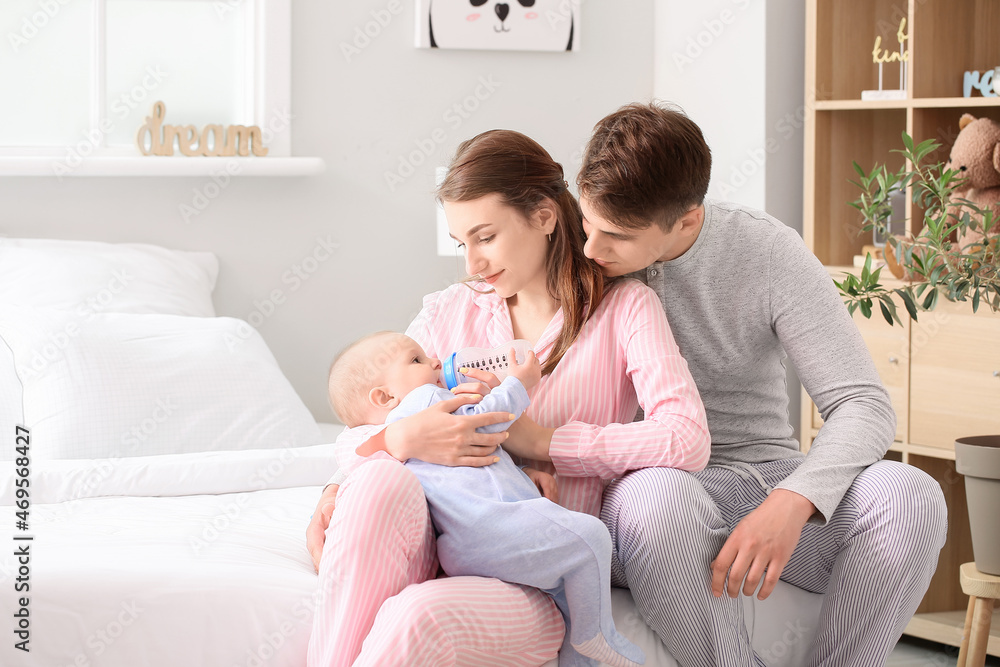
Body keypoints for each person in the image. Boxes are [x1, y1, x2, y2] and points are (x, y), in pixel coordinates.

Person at [306, 129, 710, 667]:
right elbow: (371, 410)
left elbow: (685, 437)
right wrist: (376, 457)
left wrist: (546, 443)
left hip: (535, 571)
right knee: (376, 478)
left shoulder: (624, 310)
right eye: (461, 244)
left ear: (544, 216)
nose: (472, 263)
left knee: (416, 617)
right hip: (441, 538)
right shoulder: (449, 311)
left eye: (485, 237)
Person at [573, 101, 949, 666]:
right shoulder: (571, 260)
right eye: (587, 223)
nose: (590, 250)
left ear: (688, 219)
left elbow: (861, 403)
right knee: (659, 499)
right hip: (652, 497)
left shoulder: (767, 250)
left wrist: (792, 501)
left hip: (763, 477)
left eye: (617, 237)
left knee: (911, 496)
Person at [326, 331, 645, 667]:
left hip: (468, 541)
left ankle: (581, 657)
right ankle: (596, 635)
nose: (435, 360)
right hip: (489, 526)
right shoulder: (423, 401)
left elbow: (470, 476)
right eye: (417, 359)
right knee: (591, 537)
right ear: (385, 396)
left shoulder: (400, 440)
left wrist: (521, 476)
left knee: (563, 579)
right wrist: (518, 386)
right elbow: (481, 425)